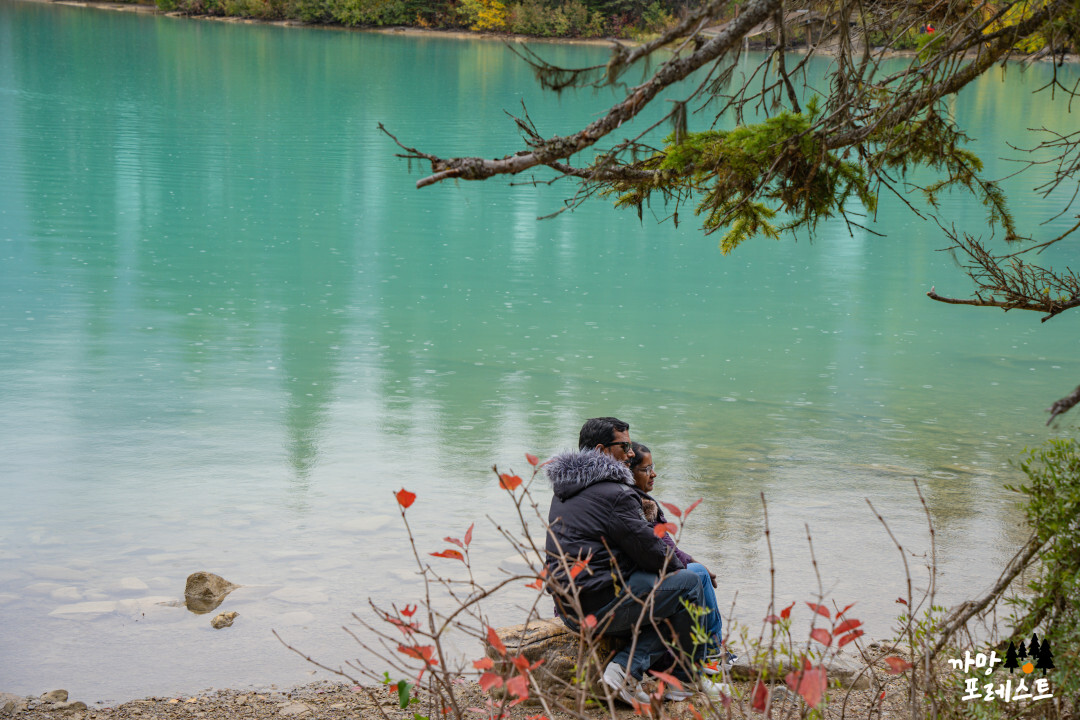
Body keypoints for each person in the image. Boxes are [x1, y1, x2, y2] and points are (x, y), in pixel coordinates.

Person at [544, 417, 728, 704]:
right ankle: (634, 672)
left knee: (678, 585)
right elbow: (651, 552)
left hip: (568, 603)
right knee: (689, 585)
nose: (631, 453)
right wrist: (683, 572)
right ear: (604, 450)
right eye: (625, 446)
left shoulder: (566, 490)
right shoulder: (614, 493)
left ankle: (677, 678)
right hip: (597, 604)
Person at [629, 442, 735, 672]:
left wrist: (690, 561)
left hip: (638, 580)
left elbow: (666, 548)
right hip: (636, 585)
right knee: (697, 574)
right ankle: (712, 651)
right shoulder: (640, 504)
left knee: (697, 571)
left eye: (652, 467)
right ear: (629, 472)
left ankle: (712, 648)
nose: (653, 473)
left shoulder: (638, 501)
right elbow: (663, 549)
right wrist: (693, 563)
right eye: (646, 469)